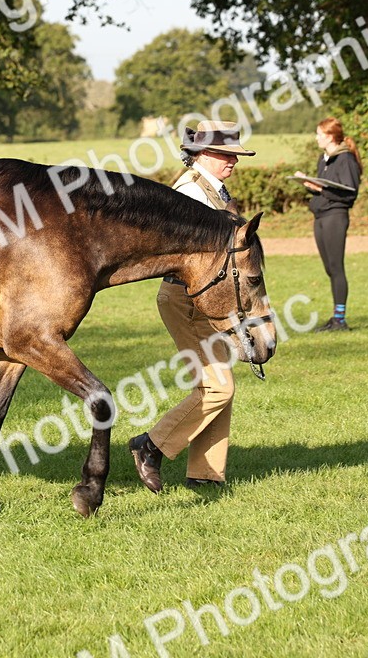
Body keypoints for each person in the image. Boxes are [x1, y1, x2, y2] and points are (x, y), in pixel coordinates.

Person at [128, 120, 255, 493]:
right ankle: (150, 446)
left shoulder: (212, 189)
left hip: (205, 298)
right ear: (203, 154)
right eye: (226, 155)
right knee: (218, 387)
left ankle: (206, 473)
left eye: (235, 155)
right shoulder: (192, 192)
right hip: (186, 300)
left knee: (220, 385)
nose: (233, 161)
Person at [296, 117, 362, 332]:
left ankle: (340, 320)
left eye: (320, 134)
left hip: (335, 216)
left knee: (336, 267)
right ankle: (336, 319)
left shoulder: (346, 159)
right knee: (329, 268)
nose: (316, 138)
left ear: (331, 136)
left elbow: (349, 193)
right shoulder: (323, 158)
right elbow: (325, 189)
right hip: (321, 216)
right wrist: (310, 184)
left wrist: (319, 189)